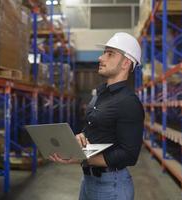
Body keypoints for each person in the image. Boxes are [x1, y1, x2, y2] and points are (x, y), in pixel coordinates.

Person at [49, 32, 144, 200]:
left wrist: (80, 158)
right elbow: (92, 129)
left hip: (111, 187)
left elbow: (129, 155)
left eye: (110, 54)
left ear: (126, 63)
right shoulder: (99, 95)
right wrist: (80, 138)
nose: (101, 58)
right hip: (88, 182)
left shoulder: (129, 102)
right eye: (104, 53)